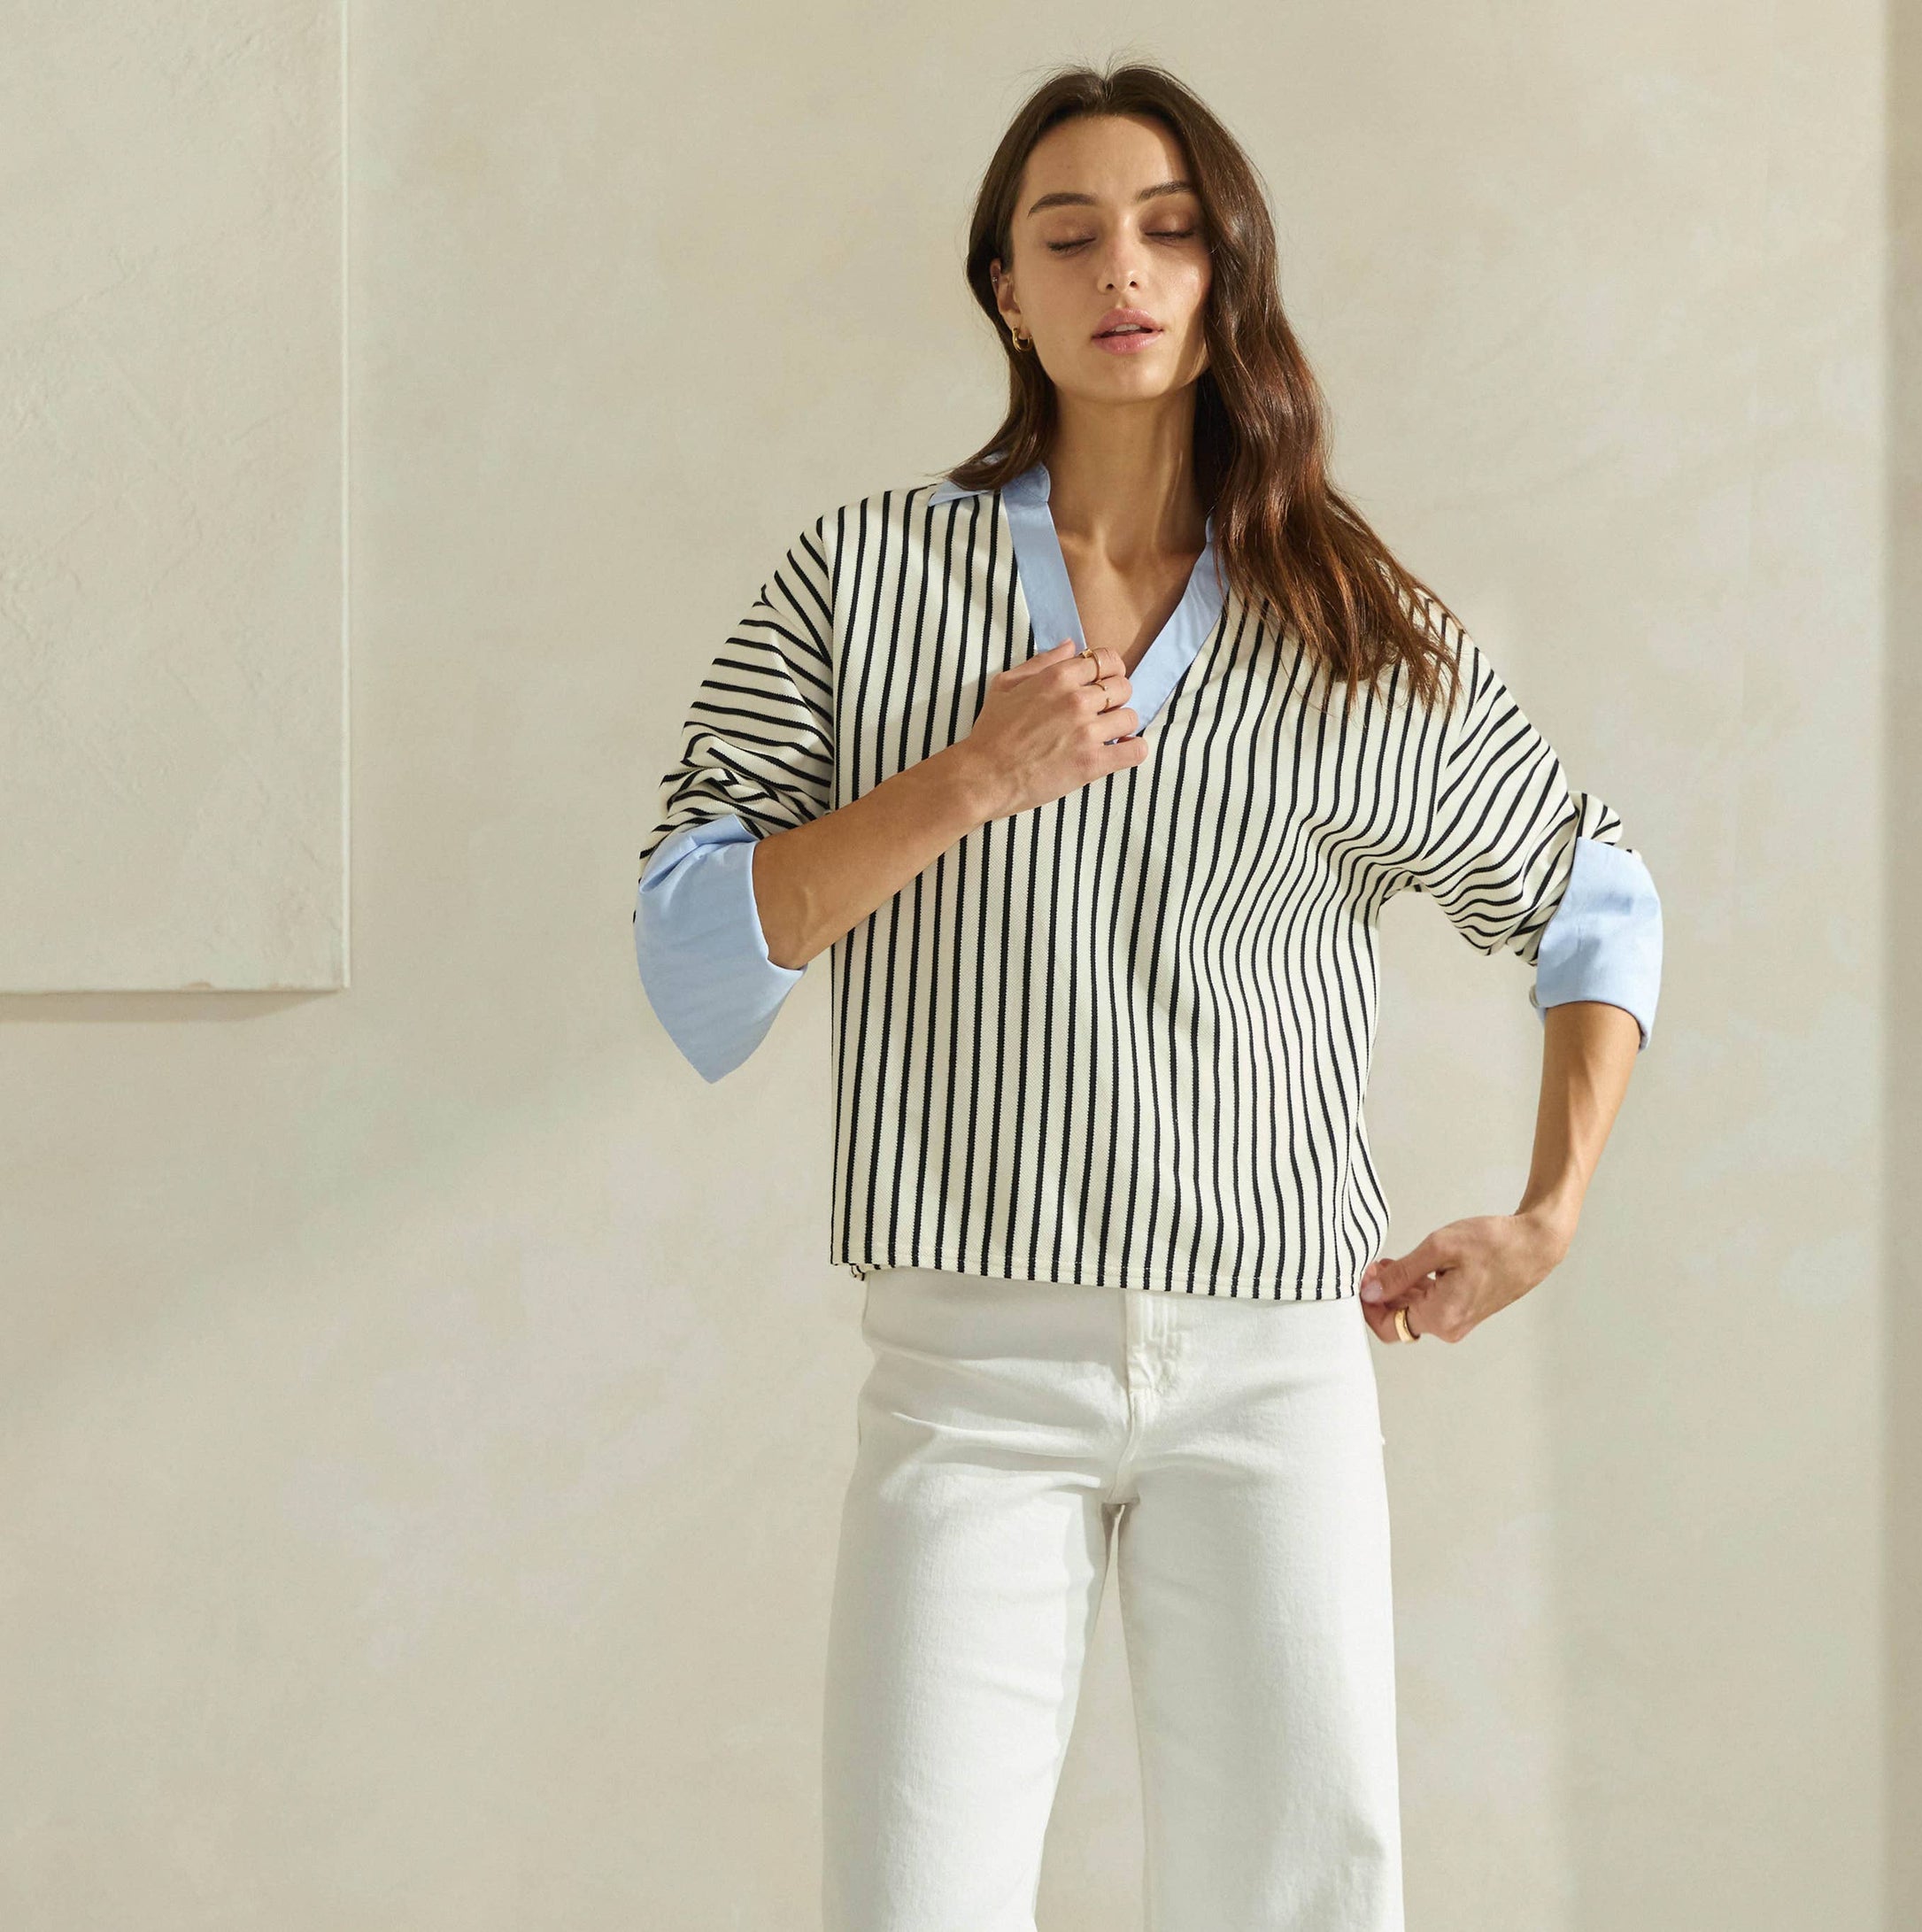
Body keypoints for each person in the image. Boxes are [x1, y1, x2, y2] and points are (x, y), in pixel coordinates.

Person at [632, 59, 1661, 1932]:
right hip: (967, 1367)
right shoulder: (862, 582)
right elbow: (693, 946)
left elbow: (1595, 898)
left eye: (1171, 229)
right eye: (1071, 233)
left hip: (1274, 1365)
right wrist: (967, 778)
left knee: (1304, 1900)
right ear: (1005, 291)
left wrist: (1552, 1210)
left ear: (1224, 272)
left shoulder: (1345, 622)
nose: (1124, 267)